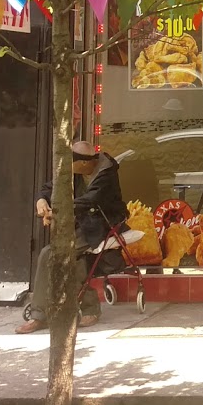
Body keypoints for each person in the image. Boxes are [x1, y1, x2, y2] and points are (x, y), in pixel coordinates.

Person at [17, 140, 128, 334]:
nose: (69, 167)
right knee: (71, 259)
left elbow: (89, 201)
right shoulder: (77, 170)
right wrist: (41, 200)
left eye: (73, 163)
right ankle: (88, 307)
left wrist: (56, 212)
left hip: (101, 224)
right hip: (81, 223)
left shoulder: (106, 175)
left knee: (49, 253)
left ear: (84, 164)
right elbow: (50, 187)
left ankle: (39, 315)